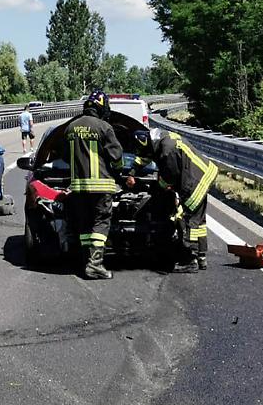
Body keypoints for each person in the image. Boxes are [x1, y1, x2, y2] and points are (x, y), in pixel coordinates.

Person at [135, 127, 219, 273]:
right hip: (203, 174)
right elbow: (147, 156)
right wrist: (132, 170)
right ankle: (201, 258)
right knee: (199, 222)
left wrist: (158, 188)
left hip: (194, 181)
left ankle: (190, 260)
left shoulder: (166, 150)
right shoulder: (164, 138)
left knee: (187, 220)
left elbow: (170, 177)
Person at [64, 90, 125, 280]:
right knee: (100, 223)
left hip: (78, 188)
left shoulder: (70, 128)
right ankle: (95, 265)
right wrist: (119, 171)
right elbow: (116, 157)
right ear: (101, 107)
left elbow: (66, 156)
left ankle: (85, 262)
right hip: (101, 186)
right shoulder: (104, 127)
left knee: (84, 225)